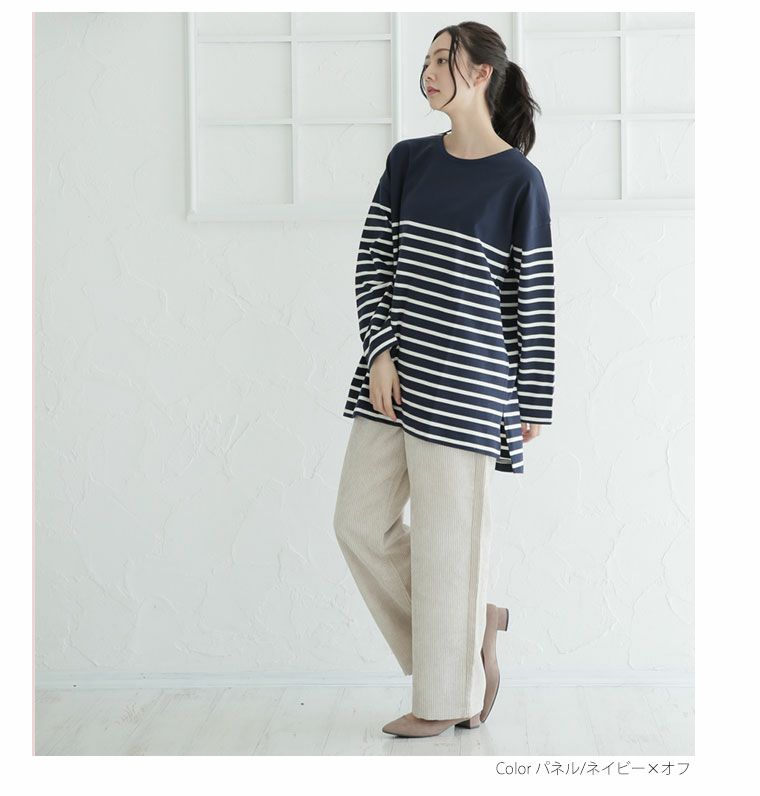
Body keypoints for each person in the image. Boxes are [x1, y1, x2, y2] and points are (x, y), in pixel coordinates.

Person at [333, 21, 555, 739]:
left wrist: (533, 399)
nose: (427, 71)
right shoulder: (409, 161)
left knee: (448, 544)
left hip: (470, 385)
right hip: (394, 379)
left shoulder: (519, 181)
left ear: (482, 73)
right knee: (357, 523)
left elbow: (532, 298)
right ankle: (470, 624)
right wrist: (381, 351)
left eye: (442, 59)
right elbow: (373, 263)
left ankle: (444, 698)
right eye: (425, 59)